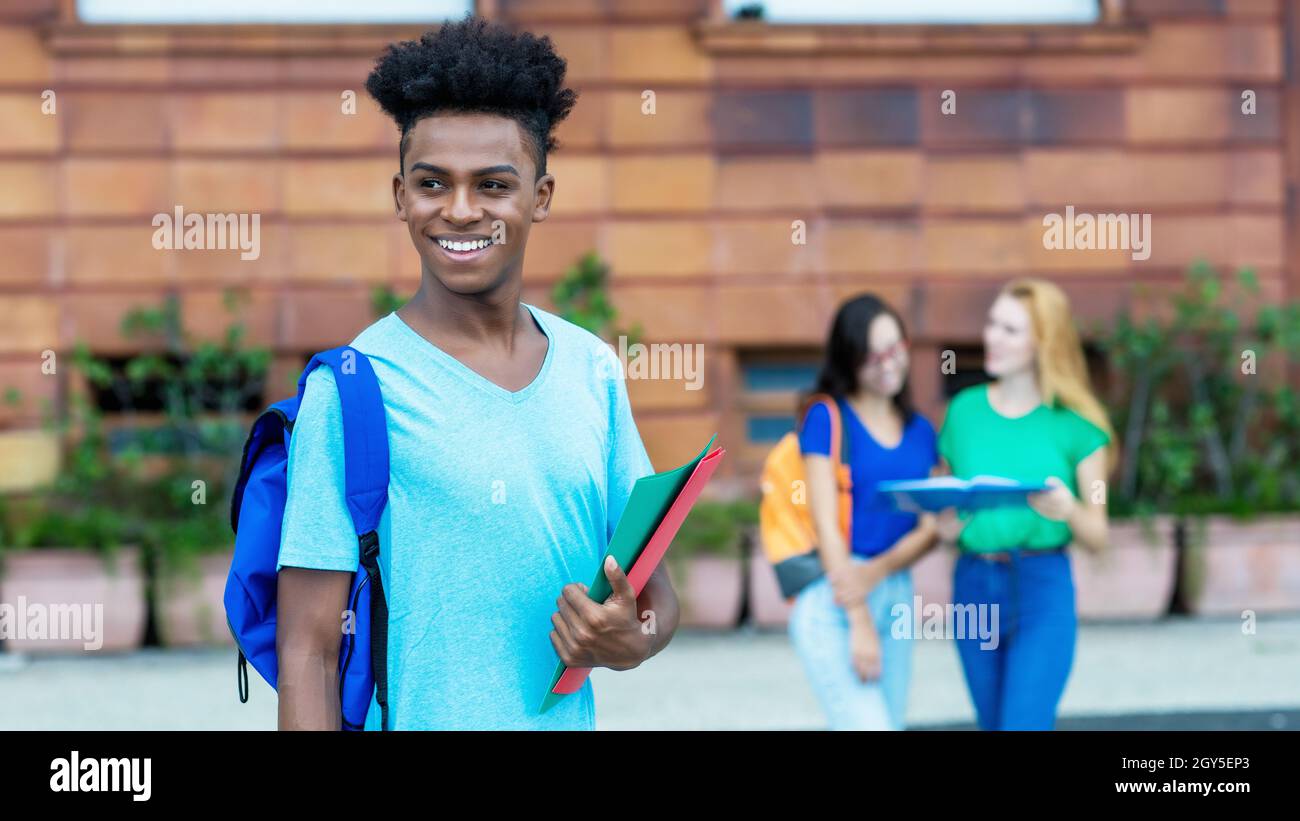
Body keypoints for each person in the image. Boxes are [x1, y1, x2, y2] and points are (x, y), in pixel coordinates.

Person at [274, 17, 677, 730]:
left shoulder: (592, 371)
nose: (460, 210)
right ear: (401, 195)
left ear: (540, 196)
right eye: (433, 183)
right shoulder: (351, 390)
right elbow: (308, 649)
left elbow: (654, 595)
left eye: (492, 184)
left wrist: (632, 639)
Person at [937, 278, 1113, 731]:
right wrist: (944, 528)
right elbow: (947, 508)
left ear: (1042, 343)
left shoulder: (1079, 426)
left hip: (1042, 588)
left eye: (1010, 330)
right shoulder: (964, 412)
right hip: (973, 586)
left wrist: (1069, 509)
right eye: (992, 324)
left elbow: (1099, 537)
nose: (991, 337)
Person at [788, 294, 940, 730]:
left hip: (896, 592)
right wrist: (859, 618)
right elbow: (827, 529)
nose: (888, 364)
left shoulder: (920, 432)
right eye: (872, 357)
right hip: (836, 597)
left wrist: (884, 568)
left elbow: (931, 529)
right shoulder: (826, 418)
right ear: (849, 360)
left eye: (895, 349)